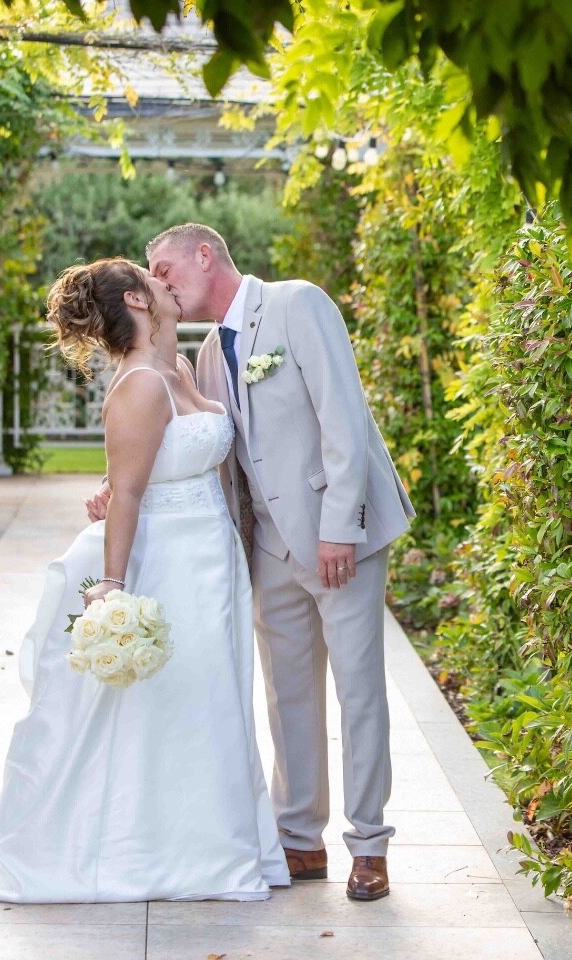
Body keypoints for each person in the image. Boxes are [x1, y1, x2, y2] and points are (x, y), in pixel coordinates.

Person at [88, 224, 417, 900]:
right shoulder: (205, 352)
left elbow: (344, 421)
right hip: (267, 546)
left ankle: (371, 844)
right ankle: (299, 839)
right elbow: (201, 445)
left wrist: (339, 530)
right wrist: (119, 485)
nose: (159, 280)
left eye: (165, 265)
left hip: (339, 540)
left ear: (204, 255)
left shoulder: (298, 304)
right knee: (286, 695)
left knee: (358, 692)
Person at [0, 257, 290, 903]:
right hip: (165, 560)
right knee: (171, 702)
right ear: (138, 300)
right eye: (154, 276)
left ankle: (220, 844)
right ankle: (164, 855)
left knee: (213, 697)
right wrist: (112, 585)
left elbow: (152, 466)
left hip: (211, 555)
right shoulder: (139, 384)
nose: (168, 281)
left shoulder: (183, 367)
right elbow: (133, 496)